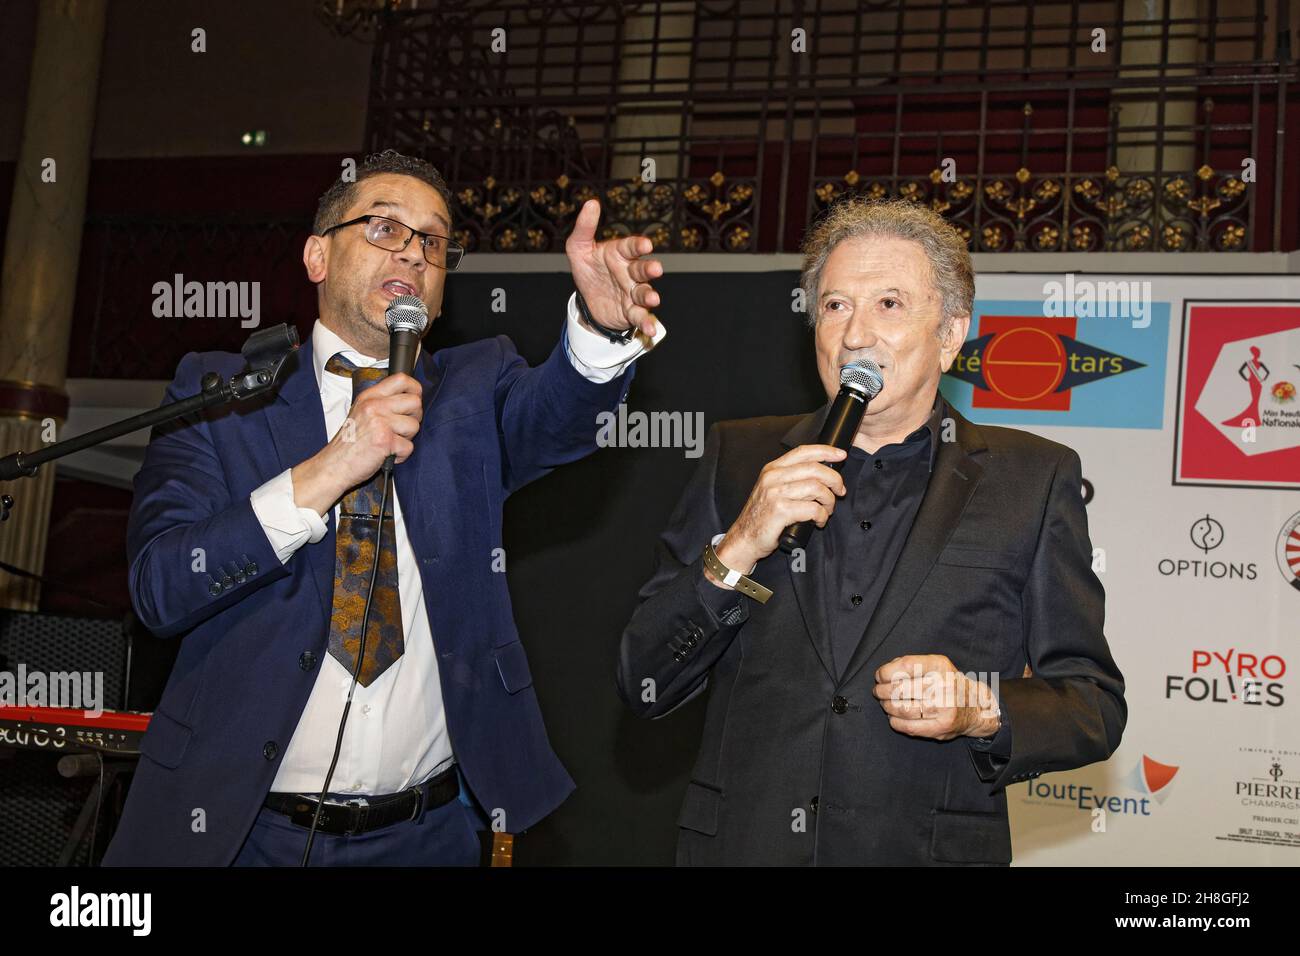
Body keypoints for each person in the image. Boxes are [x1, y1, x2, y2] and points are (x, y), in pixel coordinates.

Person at [104, 149, 665, 866]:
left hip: (425, 837)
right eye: (383, 228)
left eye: (433, 240)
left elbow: (555, 416)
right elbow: (162, 588)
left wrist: (599, 330)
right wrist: (334, 465)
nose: (413, 251)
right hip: (238, 830)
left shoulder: (472, 386)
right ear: (317, 255)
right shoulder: (220, 393)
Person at [617, 197, 1125, 866]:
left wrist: (980, 708)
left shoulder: (1031, 479)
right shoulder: (739, 460)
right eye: (834, 306)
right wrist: (740, 543)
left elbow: (1091, 704)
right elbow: (644, 677)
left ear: (950, 334)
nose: (855, 334)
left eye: (889, 304)